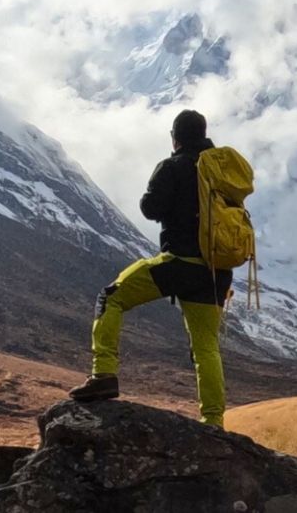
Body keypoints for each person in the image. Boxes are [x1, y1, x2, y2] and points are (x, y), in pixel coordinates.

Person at [69, 110, 234, 427]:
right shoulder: (223, 172)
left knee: (111, 297)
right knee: (206, 348)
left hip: (179, 263)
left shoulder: (173, 166)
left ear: (175, 137)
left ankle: (104, 374)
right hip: (216, 271)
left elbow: (150, 208)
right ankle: (213, 422)